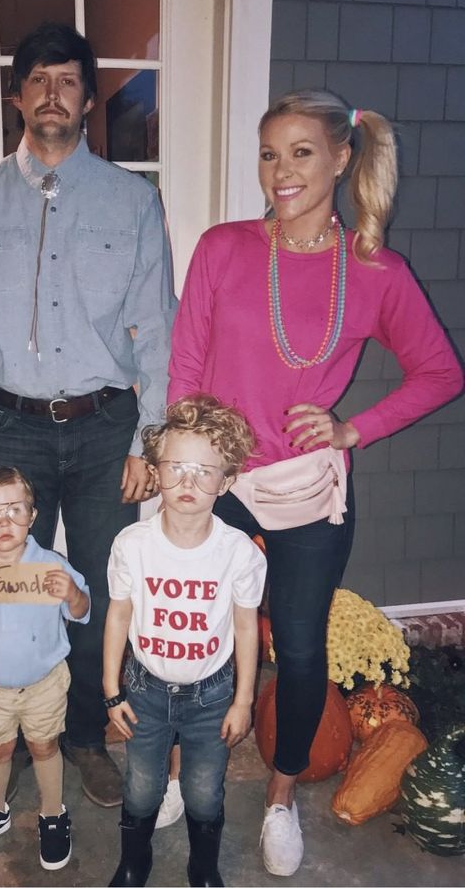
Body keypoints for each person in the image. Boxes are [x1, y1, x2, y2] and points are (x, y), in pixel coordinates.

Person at [168, 89, 464, 877]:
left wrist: (351, 428)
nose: (280, 171)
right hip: (218, 477)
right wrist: (184, 465)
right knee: (193, 638)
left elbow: (440, 371)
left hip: (307, 487)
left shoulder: (374, 271)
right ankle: (174, 772)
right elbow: (185, 368)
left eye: (300, 152)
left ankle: (278, 796)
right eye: (269, 154)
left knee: (298, 652)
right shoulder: (224, 248)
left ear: (341, 157)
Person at [0, 21, 175, 808]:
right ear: (17, 97)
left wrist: (150, 438)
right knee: (7, 581)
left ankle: (89, 734)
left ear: (89, 98)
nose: (52, 94)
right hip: (9, 428)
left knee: (97, 582)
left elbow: (159, 331)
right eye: (37, 81)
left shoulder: (134, 202)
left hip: (106, 429)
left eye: (67, 80)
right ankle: (8, 727)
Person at [103, 394, 267, 888]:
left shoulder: (239, 554)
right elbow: (117, 616)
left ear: (227, 481)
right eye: (176, 467)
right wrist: (112, 690)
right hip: (145, 690)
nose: (188, 482)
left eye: (205, 470)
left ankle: (203, 866)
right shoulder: (132, 545)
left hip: (211, 695)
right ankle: (134, 863)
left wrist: (243, 701)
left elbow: (245, 629)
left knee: (202, 792)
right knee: (140, 788)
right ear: (155, 471)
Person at [0, 466, 90, 871]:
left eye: (15, 510)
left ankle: (52, 812)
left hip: (44, 682)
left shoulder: (52, 566)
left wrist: (74, 594)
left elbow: (82, 612)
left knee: (45, 746)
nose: (4, 521)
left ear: (33, 515)